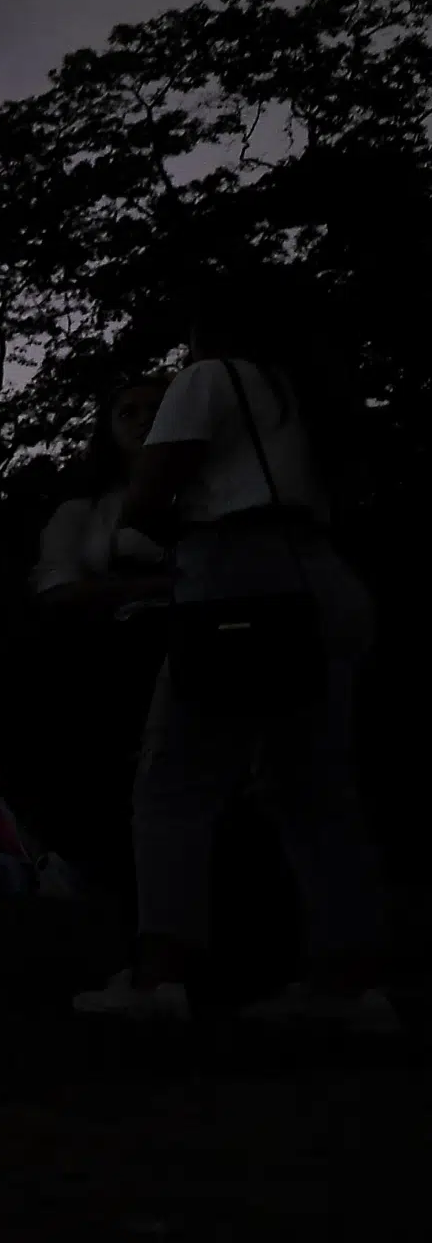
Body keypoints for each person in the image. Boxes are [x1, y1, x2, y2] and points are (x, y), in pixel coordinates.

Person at [77, 278, 393, 1030]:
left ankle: (159, 982)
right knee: (313, 793)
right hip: (324, 579)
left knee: (173, 782)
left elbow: (150, 497)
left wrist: (144, 521)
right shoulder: (308, 396)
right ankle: (349, 986)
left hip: (237, 579)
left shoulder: (211, 378)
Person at [23, 378, 173, 903]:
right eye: (127, 411)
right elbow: (57, 588)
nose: (141, 420)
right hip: (114, 658)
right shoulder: (85, 511)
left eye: (155, 408)